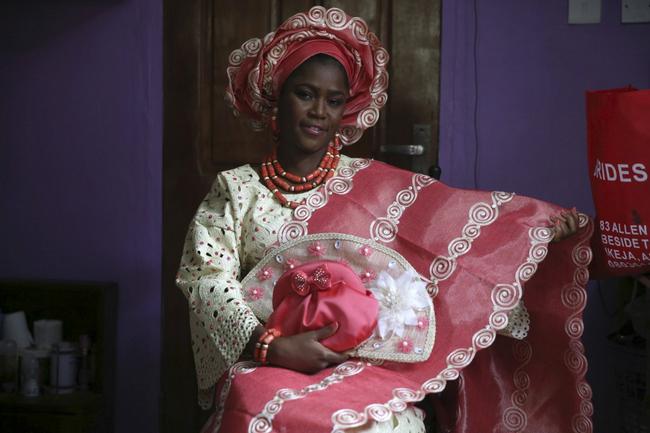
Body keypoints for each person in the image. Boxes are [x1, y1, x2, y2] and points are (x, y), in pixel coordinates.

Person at [176, 6, 590, 433]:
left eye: (333, 100)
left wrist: (535, 231)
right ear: (276, 98)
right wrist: (270, 348)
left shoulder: (372, 185)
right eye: (304, 94)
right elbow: (204, 277)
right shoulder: (236, 189)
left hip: (366, 367)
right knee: (270, 415)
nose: (319, 110)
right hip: (264, 359)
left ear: (345, 111)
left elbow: (456, 242)